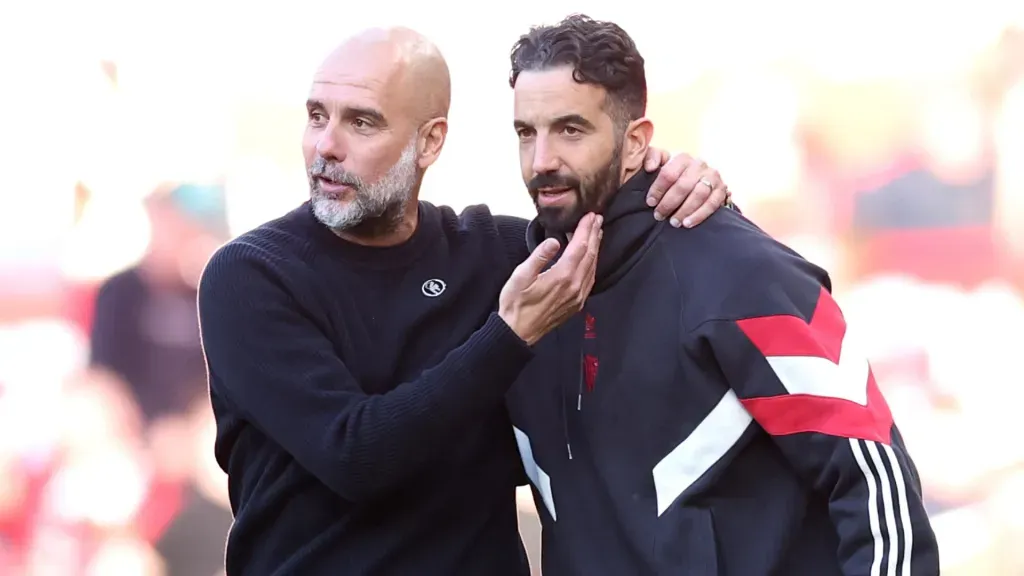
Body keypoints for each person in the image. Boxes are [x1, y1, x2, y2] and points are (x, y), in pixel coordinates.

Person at [197, 27, 732, 576]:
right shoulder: (250, 276)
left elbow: (622, 233)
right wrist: (509, 337)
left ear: (429, 142)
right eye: (316, 115)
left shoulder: (494, 252)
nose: (325, 146)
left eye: (361, 121)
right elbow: (354, 456)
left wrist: (679, 181)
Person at [504, 15, 940, 576]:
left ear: (635, 143)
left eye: (570, 129)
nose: (541, 160)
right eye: (525, 132)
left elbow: (876, 482)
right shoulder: (511, 295)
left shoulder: (742, 275)